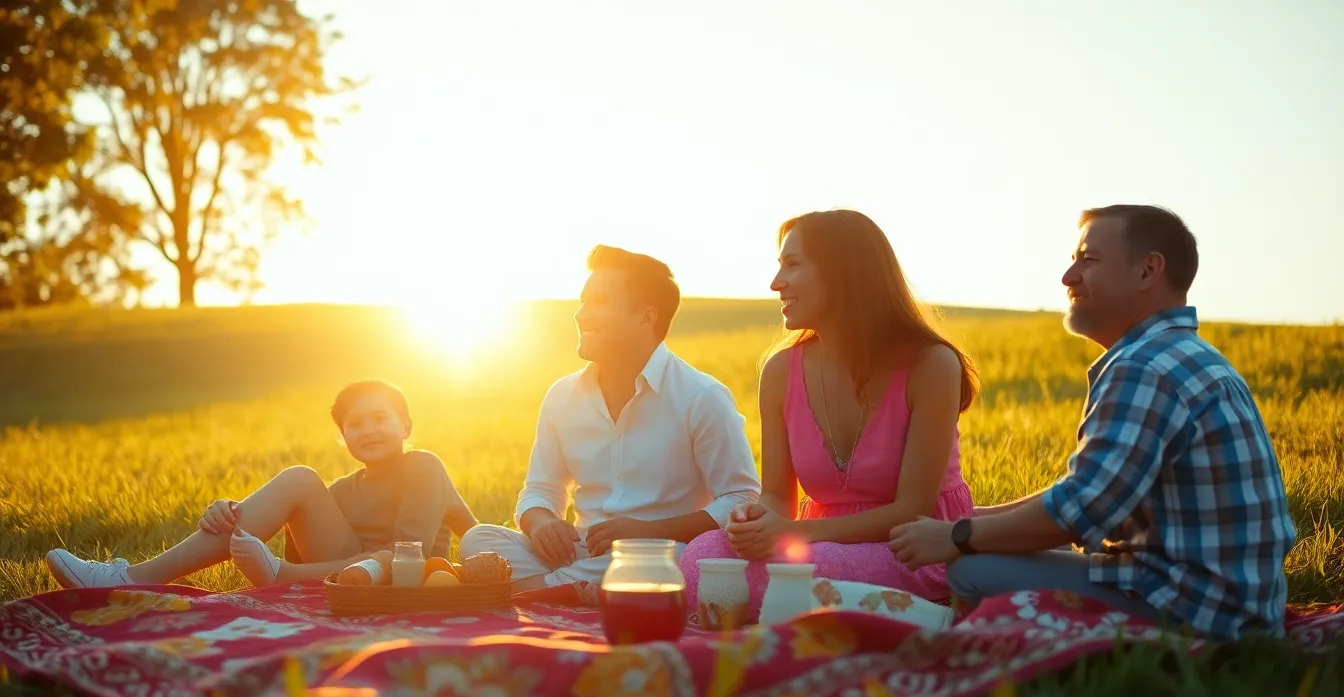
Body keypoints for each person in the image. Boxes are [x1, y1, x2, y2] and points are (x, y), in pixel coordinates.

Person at [889, 205, 1297, 640]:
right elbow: (1094, 493)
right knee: (1011, 540)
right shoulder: (1182, 354)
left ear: (1147, 271)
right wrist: (973, 518)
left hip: (1197, 615)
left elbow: (1079, 510)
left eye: (1089, 259)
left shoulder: (1144, 367)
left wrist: (958, 535)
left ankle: (989, 656)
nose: (1068, 276)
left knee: (973, 565)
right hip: (1234, 602)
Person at [678, 209, 980, 620]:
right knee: (702, 558)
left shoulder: (931, 364)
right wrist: (751, 520)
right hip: (812, 544)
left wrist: (793, 532)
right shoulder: (782, 371)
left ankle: (781, 609)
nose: (775, 283)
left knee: (814, 571)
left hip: (912, 545)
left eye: (792, 265)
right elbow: (777, 500)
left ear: (843, 272)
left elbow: (913, 510)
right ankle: (793, 608)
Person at [457, 245, 761, 592]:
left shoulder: (702, 397)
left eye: (599, 302)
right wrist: (541, 524)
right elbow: (541, 490)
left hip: (658, 551)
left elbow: (740, 498)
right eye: (582, 302)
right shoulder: (562, 395)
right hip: (581, 552)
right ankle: (568, 590)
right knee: (477, 539)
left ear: (645, 317)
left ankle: (544, 591)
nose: (581, 314)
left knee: (676, 561)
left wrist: (648, 530)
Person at [46, 380, 478, 589]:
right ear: (343, 438)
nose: (368, 430)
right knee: (301, 481)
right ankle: (132, 577)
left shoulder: (423, 466)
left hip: (400, 585)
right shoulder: (345, 489)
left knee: (301, 480)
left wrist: (286, 573)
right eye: (355, 424)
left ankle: (131, 577)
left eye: (380, 418)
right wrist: (228, 512)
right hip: (344, 578)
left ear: (406, 424)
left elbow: (415, 552)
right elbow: (298, 528)